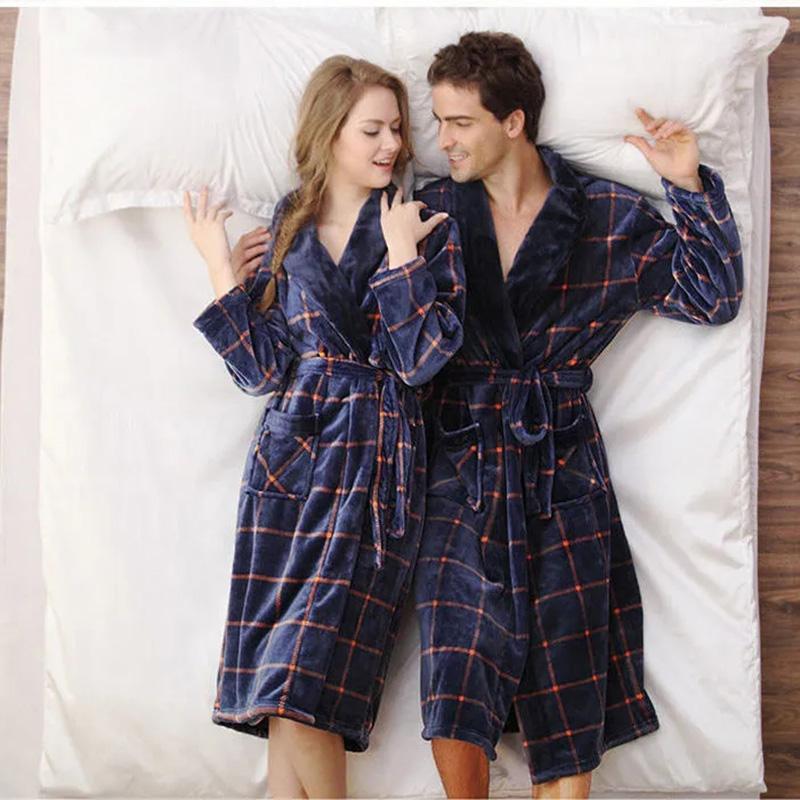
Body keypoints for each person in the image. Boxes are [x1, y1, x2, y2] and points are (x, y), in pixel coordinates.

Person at [412, 32, 743, 798]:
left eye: (459, 121)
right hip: (460, 463)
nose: (443, 139)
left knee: (567, 677)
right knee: (456, 673)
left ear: (514, 121)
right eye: (439, 120)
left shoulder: (604, 214)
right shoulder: (426, 216)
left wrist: (686, 184)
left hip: (562, 464)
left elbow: (713, 294)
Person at [184, 55, 465, 799]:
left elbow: (421, 363)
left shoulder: (425, 223)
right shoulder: (290, 224)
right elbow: (263, 371)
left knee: (304, 683)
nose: (392, 144)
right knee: (282, 692)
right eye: (372, 130)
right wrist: (221, 271)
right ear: (329, 132)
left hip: (376, 471)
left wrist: (402, 257)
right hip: (288, 473)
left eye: (397, 129)